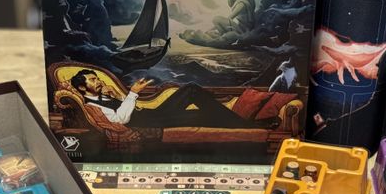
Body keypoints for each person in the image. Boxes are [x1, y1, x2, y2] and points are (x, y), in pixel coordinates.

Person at [69, 70, 257, 129]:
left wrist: (119, 95)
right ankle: (248, 126)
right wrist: (133, 93)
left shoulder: (103, 95)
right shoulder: (92, 105)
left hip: (154, 115)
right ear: (82, 87)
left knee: (195, 99)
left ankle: (246, 125)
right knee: (195, 100)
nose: (98, 81)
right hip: (151, 122)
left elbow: (125, 106)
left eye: (97, 78)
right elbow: (121, 120)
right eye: (93, 80)